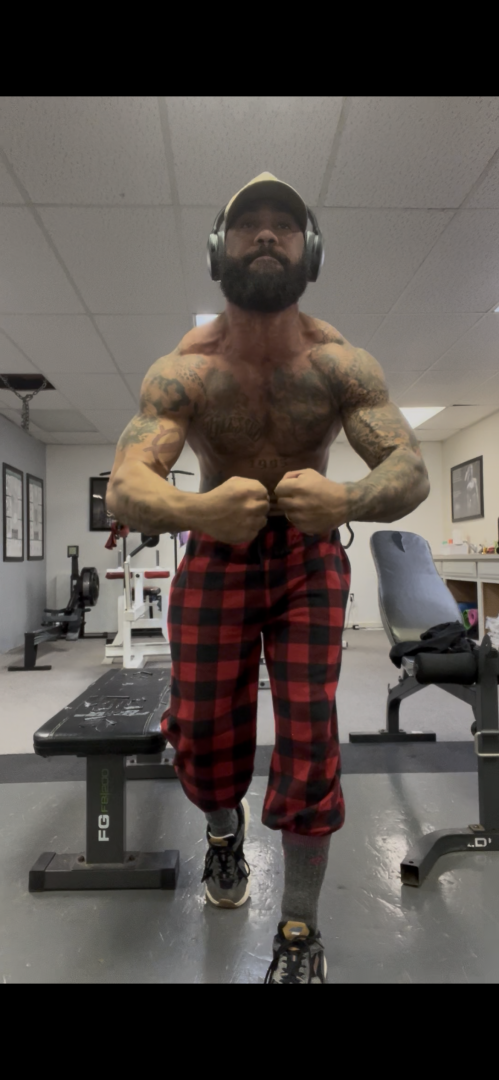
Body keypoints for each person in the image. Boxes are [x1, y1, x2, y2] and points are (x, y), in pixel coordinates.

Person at [106, 172, 430, 984]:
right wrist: (195, 511)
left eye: (282, 224)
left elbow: (409, 467)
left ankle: (298, 931)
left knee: (310, 735)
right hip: (217, 549)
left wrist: (345, 498)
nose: (263, 233)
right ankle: (224, 833)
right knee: (201, 733)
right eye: (245, 222)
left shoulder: (339, 363)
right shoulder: (184, 370)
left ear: (308, 250)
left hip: (307, 556)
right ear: (216, 251)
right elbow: (125, 486)